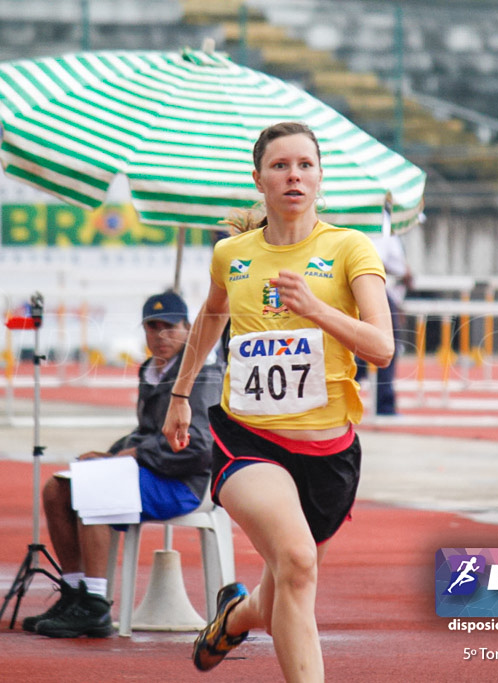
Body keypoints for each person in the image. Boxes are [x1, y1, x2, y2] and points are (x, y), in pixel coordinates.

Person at [162, 121, 394, 681]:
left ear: (319, 178)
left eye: (305, 165)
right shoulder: (232, 255)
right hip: (250, 441)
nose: (294, 175)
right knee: (296, 562)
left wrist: (315, 309)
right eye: (281, 166)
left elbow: (383, 347)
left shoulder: (348, 248)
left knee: (288, 584)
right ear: (259, 179)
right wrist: (180, 393)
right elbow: (211, 318)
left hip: (328, 453)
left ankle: (234, 617)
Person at [24, 290, 223, 638]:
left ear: (189, 328)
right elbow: (146, 432)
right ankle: (74, 593)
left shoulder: (203, 374)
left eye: (169, 327)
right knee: (57, 489)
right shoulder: (151, 370)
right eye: (152, 327)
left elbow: (201, 448)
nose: (160, 336)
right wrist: (112, 453)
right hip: (151, 472)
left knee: (94, 487)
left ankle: (96, 606)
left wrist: (133, 456)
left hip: (186, 484)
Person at [355, 219, 412, 415]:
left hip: (361, 288)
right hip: (374, 289)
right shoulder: (384, 226)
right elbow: (395, 266)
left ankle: (355, 381)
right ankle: (384, 403)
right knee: (386, 344)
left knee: (360, 344)